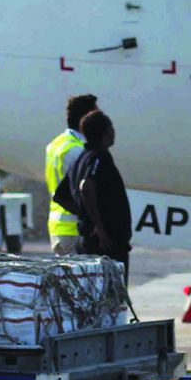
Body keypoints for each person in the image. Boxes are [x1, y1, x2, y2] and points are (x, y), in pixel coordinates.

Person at [53, 109, 132, 265]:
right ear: (106, 132)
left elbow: (60, 196)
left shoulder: (80, 159)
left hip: (89, 242)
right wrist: (99, 228)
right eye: (111, 127)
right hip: (106, 245)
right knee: (110, 288)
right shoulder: (99, 157)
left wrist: (85, 215)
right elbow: (86, 186)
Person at [46, 93, 98, 255]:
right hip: (74, 228)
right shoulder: (77, 150)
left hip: (58, 226)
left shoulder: (57, 144)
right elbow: (84, 189)